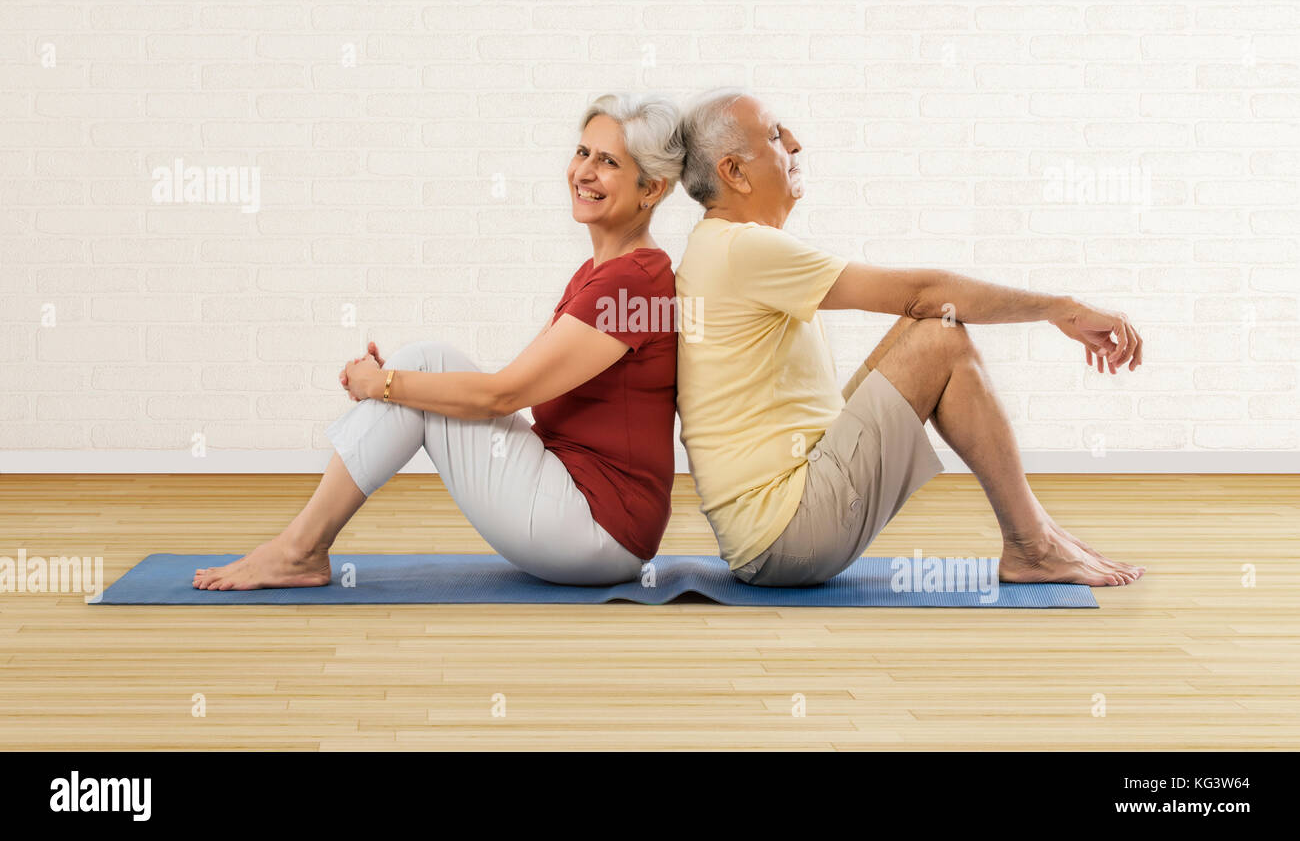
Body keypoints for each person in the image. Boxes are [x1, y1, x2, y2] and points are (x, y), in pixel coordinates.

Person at [193, 93, 684, 590]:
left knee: (422, 369)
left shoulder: (632, 282)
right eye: (582, 153)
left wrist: (386, 384)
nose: (584, 172)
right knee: (424, 370)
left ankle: (298, 550)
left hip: (595, 528)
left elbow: (502, 396)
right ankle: (299, 547)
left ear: (651, 189)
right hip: (576, 505)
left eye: (608, 162)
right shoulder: (602, 274)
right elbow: (515, 385)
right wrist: (394, 387)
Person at [673, 87, 1147, 588]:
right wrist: (1062, 310)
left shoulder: (720, 246)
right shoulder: (745, 249)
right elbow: (925, 293)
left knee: (924, 330)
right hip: (789, 537)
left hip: (774, 532)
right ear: (734, 172)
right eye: (774, 135)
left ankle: (1038, 537)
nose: (795, 142)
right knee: (939, 335)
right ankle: (1034, 544)